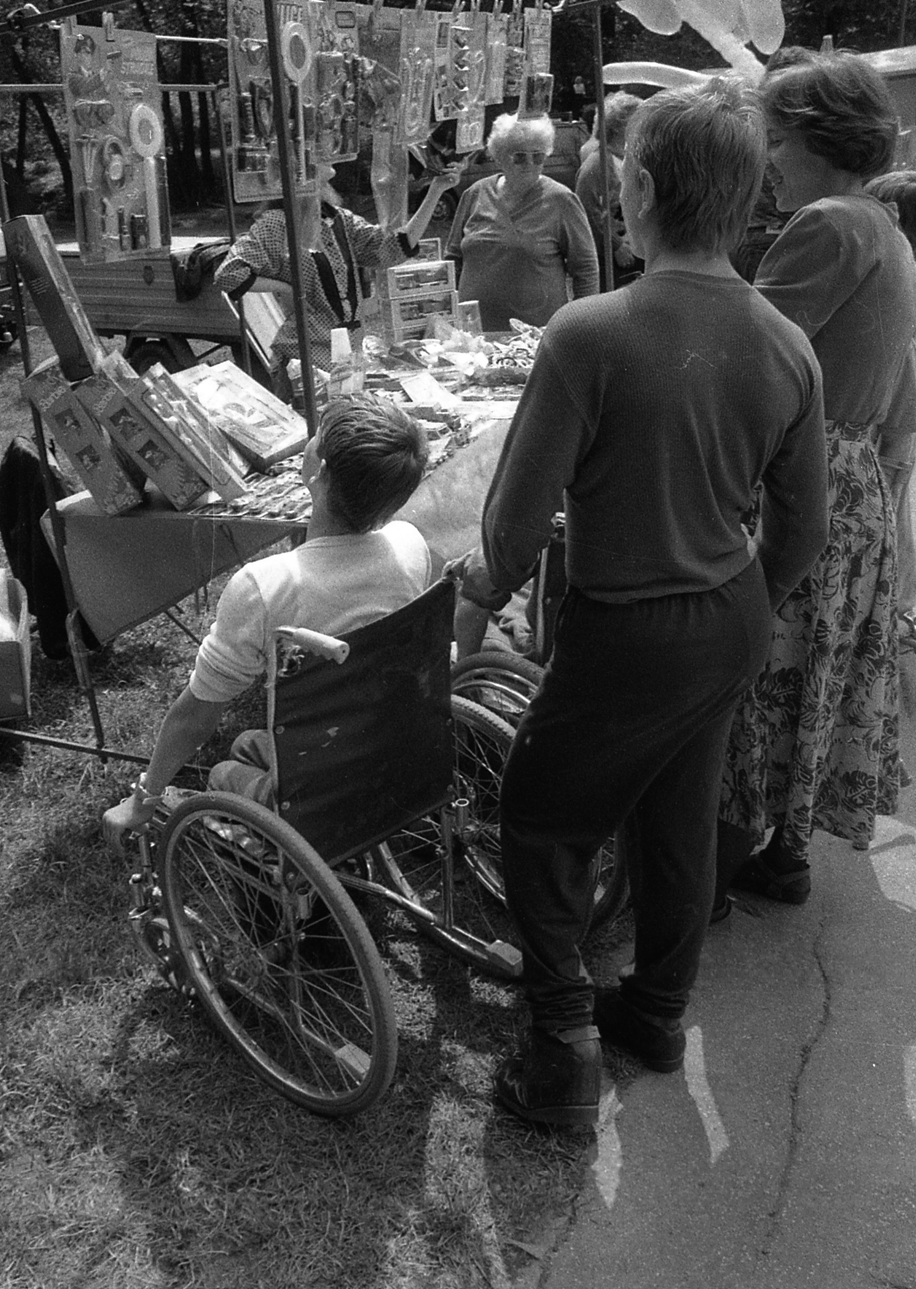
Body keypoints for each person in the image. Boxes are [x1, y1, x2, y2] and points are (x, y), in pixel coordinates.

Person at [450, 78, 829, 1127]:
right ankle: (654, 1012)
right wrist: (735, 596)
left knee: (540, 819)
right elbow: (801, 530)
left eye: (621, 177)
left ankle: (559, 1047)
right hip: (729, 612)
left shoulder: (589, 331)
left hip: (626, 624)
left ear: (646, 190)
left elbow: (512, 525)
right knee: (676, 816)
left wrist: (477, 602)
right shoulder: (785, 342)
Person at [717, 54, 916, 910]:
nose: (766, 159)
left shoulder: (830, 223)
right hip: (851, 476)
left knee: (756, 672)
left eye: (775, 139)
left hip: (805, 477)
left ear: (819, 139)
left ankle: (708, 879)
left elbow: (742, 352)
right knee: (811, 670)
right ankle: (782, 853)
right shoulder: (880, 225)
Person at [102, 398, 431, 844]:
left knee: (223, 770)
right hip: (397, 752)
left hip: (322, 790)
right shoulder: (410, 546)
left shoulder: (266, 586)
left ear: (319, 473)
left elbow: (197, 714)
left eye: (316, 436)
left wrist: (144, 798)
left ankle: (278, 862)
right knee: (246, 744)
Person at [215, 163, 459, 403]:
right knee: (317, 425)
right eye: (320, 152)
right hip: (305, 358)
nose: (331, 157)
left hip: (349, 354)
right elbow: (229, 273)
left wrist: (435, 191)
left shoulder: (339, 219)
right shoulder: (278, 223)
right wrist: (286, 287)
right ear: (302, 166)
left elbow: (392, 249)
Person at [444, 113, 599, 333]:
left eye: (538, 156)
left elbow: (586, 269)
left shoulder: (561, 200)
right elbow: (453, 259)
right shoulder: (475, 193)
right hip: (475, 335)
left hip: (536, 335)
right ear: (498, 156)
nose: (530, 164)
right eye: (519, 157)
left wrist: (581, 326)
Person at [865, 168, 916, 655]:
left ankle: (896, 615)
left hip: (888, 448)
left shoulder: (897, 299)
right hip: (894, 444)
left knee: (895, 519)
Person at [574, 91, 643, 288]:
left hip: (640, 250)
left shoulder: (636, 158)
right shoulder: (597, 165)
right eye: (637, 119)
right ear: (619, 125)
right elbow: (587, 210)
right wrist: (615, 245)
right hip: (615, 258)